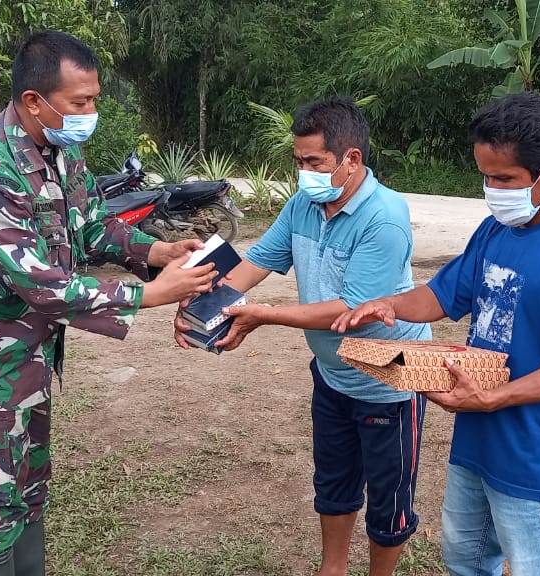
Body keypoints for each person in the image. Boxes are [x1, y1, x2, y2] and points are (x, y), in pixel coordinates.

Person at [0, 31, 217, 576]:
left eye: (94, 98)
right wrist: (146, 295)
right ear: (34, 101)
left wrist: (158, 251)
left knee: (28, 489)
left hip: (27, 357)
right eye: (81, 102)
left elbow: (91, 225)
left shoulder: (60, 150)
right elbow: (43, 285)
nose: (90, 112)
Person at [332, 92, 540, 576]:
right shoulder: (495, 231)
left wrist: (495, 398)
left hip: (533, 450)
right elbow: (444, 296)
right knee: (464, 557)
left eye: (504, 178)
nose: (492, 189)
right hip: (476, 439)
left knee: (536, 567)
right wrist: (388, 304)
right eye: (486, 176)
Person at [174, 97, 431, 576]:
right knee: (333, 481)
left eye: (314, 162)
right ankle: (329, 570)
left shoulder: (386, 217)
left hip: (391, 376)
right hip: (334, 373)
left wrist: (265, 316)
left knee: (389, 497)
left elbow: (349, 309)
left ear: (351, 159)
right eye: (299, 162)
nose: (303, 172)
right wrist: (201, 308)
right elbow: (255, 264)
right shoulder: (303, 206)